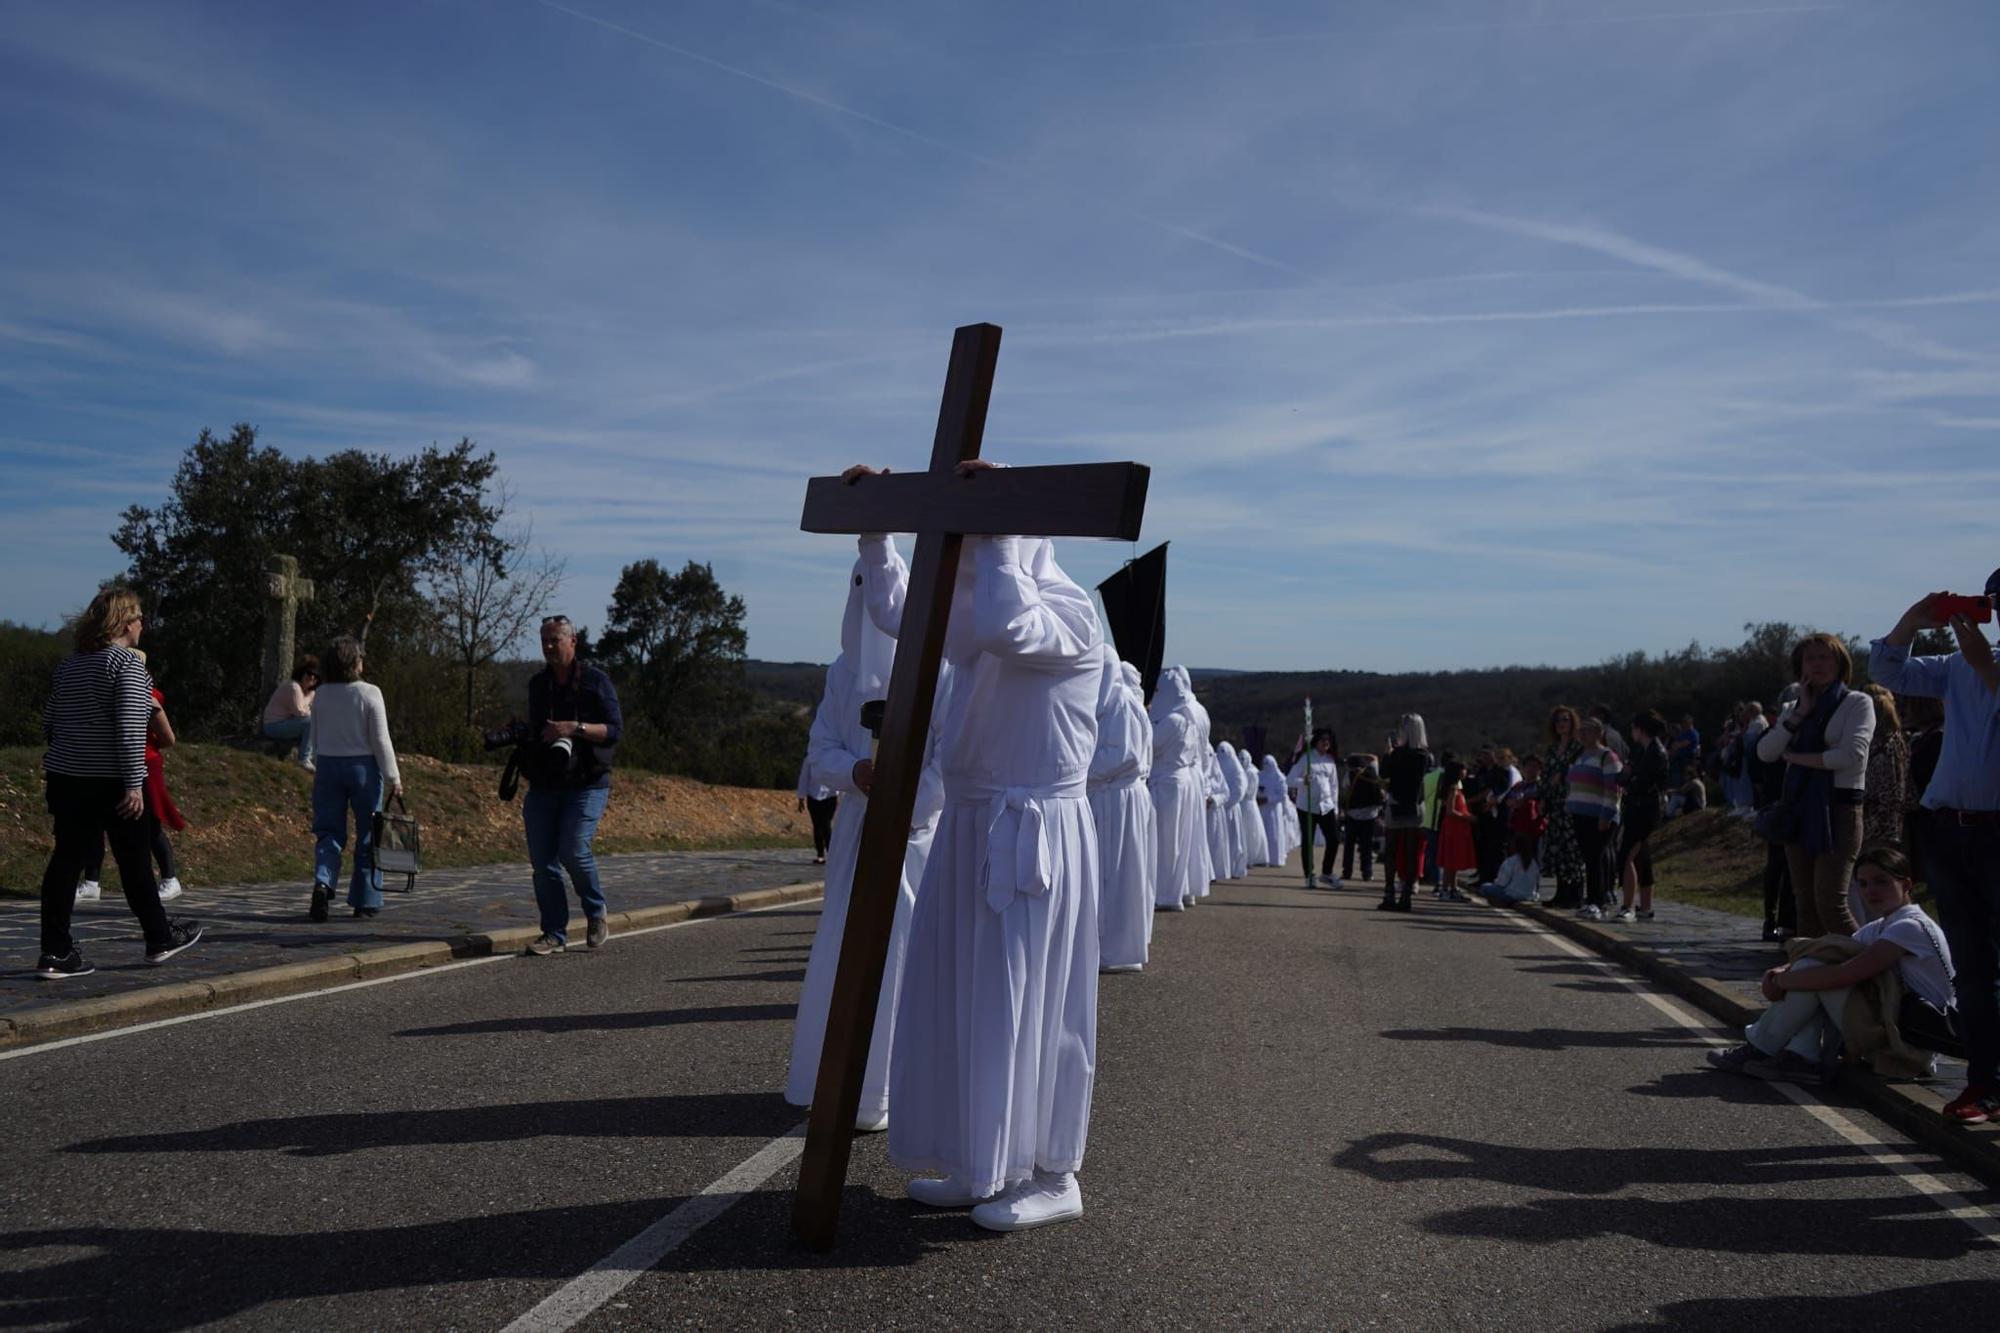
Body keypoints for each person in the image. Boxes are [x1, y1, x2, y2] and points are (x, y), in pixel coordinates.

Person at [890, 533, 1104, 1233]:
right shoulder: (977, 620)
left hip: (1032, 828)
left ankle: (1053, 1172)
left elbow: (1012, 624)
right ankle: (979, 1159)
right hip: (971, 823)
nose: (977, 563)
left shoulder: (1072, 611)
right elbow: (920, 620)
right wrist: (880, 544)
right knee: (966, 995)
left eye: (990, 549)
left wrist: (1001, 532)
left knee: (1036, 999)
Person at [786, 534, 940, 1131]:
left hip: (912, 837)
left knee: (901, 952)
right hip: (855, 826)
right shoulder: (841, 674)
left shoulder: (934, 667)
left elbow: (947, 758)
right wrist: (856, 771)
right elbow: (819, 748)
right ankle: (838, 1081)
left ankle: (892, 1088)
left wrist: (909, 801)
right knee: (845, 949)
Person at [1871, 580, 2000, 1124]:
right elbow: (1889, 674)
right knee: (1970, 970)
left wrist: (1983, 666)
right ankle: (1983, 1085)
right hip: (1950, 828)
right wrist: (1910, 622)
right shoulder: (1959, 663)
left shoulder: (1976, 662)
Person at [36, 589, 203, 979]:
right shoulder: (128, 665)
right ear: (127, 623)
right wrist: (132, 784)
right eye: (141, 617)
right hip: (112, 780)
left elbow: (49, 723)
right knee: (134, 861)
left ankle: (55, 951)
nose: (145, 624)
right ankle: (159, 938)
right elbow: (132, 730)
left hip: (65, 777)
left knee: (65, 861)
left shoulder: (68, 666)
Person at [1708, 847, 1956, 1085]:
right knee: (1811, 967)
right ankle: (1801, 1057)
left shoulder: (1911, 927)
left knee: (1814, 974)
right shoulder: (1882, 926)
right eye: (1863, 883)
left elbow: (1844, 975)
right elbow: (1827, 953)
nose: (1871, 890)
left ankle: (1767, 1048)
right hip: (1891, 1025)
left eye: (1882, 881)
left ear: (1907, 885)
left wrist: (1784, 981)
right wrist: (1778, 972)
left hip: (1911, 1045)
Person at [1757, 633, 1874, 939]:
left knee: (1830, 901)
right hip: (1798, 811)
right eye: (1811, 658)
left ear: (1840, 663)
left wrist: (1797, 758)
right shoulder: (1793, 707)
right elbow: (1766, 752)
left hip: (1841, 809)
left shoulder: (1857, 703)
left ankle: (1874, 970)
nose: (1818, 664)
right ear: (1801, 666)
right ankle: (1813, 973)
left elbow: (1850, 756)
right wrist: (1799, 714)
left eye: (1826, 657)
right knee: (1805, 902)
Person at [520, 615, 623, 955]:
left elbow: (614, 730)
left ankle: (595, 912)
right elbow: (536, 729)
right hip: (545, 783)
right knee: (543, 862)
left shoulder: (596, 681)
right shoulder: (538, 685)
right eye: (544, 640)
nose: (549, 647)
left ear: (572, 641)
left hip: (587, 783)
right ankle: (553, 933)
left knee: (574, 850)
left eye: (555, 640)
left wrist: (574, 728)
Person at [305, 635, 402, 922]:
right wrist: (393, 777)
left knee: (328, 832)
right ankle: (365, 899)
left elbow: (315, 735)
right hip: (363, 768)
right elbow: (381, 740)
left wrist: (312, 760)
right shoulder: (370, 693)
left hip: (328, 766)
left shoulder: (321, 694)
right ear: (354, 663)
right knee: (368, 834)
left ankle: (323, 882)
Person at [75, 654, 186, 904]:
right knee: (97, 821)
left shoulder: (148, 697)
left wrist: (147, 748)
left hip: (144, 763)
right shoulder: (105, 692)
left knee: (150, 822)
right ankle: (92, 881)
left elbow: (168, 738)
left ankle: (170, 878)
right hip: (109, 765)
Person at [1091, 656, 1156, 973]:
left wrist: (1079, 770)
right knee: (1115, 874)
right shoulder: (1116, 701)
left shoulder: (1121, 703)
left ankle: (1117, 948)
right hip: (1113, 797)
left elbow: (1121, 756)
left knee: (1117, 874)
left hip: (1117, 799)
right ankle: (1111, 944)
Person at [1148, 666, 1210, 911]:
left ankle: (1166, 894)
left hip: (1168, 783)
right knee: (1181, 841)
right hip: (1185, 779)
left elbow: (1149, 744)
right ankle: (1180, 890)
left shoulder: (1173, 720)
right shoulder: (1191, 716)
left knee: (1167, 842)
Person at [1612, 710, 1670, 923]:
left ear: (1641, 729)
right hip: (1634, 807)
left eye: (1633, 728)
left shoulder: (1657, 752)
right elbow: (1622, 776)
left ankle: (1627, 906)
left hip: (1646, 809)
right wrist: (1628, 777)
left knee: (1626, 854)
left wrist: (1629, 778)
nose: (1631, 732)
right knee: (1641, 858)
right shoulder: (1639, 750)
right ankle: (1645, 907)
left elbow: (1639, 782)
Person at [1565, 716, 1623, 920]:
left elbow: (1613, 789)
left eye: (1587, 730)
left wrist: (1606, 815)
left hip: (1599, 815)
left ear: (1599, 733)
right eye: (1581, 730)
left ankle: (1598, 902)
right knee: (1589, 858)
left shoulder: (1607, 756)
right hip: (1580, 814)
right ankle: (1592, 901)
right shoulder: (1579, 756)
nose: (1582, 734)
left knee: (1596, 857)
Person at [1379, 714, 1431, 912]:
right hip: (1415, 806)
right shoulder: (1424, 755)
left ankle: (1389, 892)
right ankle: (1406, 895)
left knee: (1391, 851)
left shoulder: (1397, 754)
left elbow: (1384, 773)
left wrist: (1388, 753)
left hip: (1396, 803)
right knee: (1411, 853)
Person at [1539, 706, 1586, 908]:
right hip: (1554, 804)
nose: (1561, 724)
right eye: (1558, 720)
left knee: (1571, 851)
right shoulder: (1551, 749)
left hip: (1572, 803)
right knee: (1555, 849)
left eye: (1565, 720)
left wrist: (1564, 777)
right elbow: (1546, 775)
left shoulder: (1578, 748)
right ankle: (1555, 894)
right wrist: (1544, 796)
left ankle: (1574, 894)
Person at [1288, 728, 1341, 889]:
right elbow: (1289, 779)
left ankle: (1326, 872)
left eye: (1328, 740)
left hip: (1326, 806)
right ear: (1316, 741)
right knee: (1308, 841)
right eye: (1323, 740)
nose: (1326, 743)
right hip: (1307, 806)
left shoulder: (1330, 761)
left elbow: (1334, 786)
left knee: (1334, 839)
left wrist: (1335, 807)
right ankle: (1309, 875)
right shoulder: (1306, 759)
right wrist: (1302, 781)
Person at [1861, 683, 1908, 850]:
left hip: (1875, 823)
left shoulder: (1877, 744)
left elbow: (1877, 787)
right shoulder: (1898, 740)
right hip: (1893, 822)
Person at [261, 656, 319, 769]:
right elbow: (300, 712)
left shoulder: (304, 691)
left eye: (315, 676)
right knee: (312, 722)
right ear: (301, 673)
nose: (312, 677)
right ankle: (304, 759)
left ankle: (314, 759)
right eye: (309, 673)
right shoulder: (294, 687)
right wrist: (309, 697)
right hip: (273, 726)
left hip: (284, 723)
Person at [1434, 762, 1477, 900]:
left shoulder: (1454, 787)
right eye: (1463, 769)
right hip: (1454, 827)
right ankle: (1446, 889)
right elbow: (1450, 811)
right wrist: (1467, 817)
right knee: (1451, 860)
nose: (1465, 771)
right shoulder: (1453, 788)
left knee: (1453, 860)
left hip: (1455, 827)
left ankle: (1453, 888)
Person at [1343, 755, 1383, 884]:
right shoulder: (1373, 773)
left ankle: (1347, 872)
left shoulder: (1349, 775)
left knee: (1349, 846)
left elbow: (1345, 790)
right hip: (1370, 815)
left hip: (1353, 814)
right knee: (1367, 846)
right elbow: (1374, 758)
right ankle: (1367, 873)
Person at [1216, 741, 1250, 880]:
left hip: (1231, 810)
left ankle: (1236, 868)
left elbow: (1240, 789)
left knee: (1235, 842)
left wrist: (1227, 803)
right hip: (1219, 810)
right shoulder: (1217, 765)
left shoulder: (1237, 770)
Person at [1478, 835, 1542, 906]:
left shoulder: (1511, 861)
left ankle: (1500, 902)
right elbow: (1537, 882)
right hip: (1529, 895)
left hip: (1511, 894)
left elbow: (1501, 883)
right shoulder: (1534, 863)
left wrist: (1495, 882)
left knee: (1484, 887)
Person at [1234, 745, 1271, 869]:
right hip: (1242, 804)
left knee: (1252, 832)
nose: (1242, 761)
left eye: (1244, 758)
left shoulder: (1252, 772)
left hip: (1249, 805)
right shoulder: (1240, 771)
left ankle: (1252, 857)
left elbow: (1250, 791)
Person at [795, 760, 837, 866]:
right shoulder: (810, 760)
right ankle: (820, 855)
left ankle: (832, 855)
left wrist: (842, 795)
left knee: (826, 825)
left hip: (830, 797)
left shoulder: (833, 758)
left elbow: (839, 777)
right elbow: (804, 777)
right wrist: (801, 798)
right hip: (813, 797)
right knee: (817, 826)